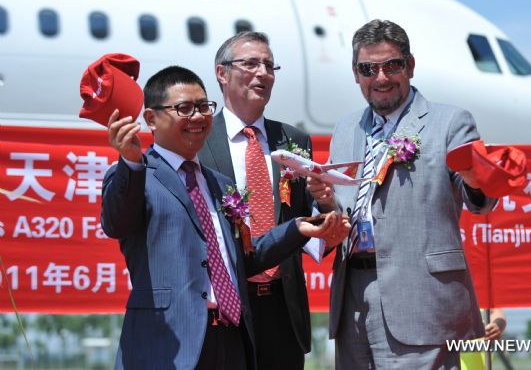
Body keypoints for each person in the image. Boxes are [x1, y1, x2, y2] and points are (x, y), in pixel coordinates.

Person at [101, 65, 344, 369]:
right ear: (151, 118)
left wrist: (297, 229)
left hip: (231, 340)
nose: (199, 117)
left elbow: (244, 258)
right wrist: (130, 162)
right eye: (184, 109)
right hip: (169, 344)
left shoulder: (219, 184)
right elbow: (116, 222)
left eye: (203, 107)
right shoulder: (138, 175)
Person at [307, 19, 498, 368]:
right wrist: (324, 199)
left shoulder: (450, 122)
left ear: (410, 66)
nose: (380, 78)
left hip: (422, 298)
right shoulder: (347, 128)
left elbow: (479, 199)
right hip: (353, 296)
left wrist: (475, 178)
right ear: (356, 73)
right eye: (369, 68)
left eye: (392, 65)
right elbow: (342, 207)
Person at [198, 31, 327, 370]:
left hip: (283, 309)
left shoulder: (294, 140)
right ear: (221, 73)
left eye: (269, 66)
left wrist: (326, 206)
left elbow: (305, 221)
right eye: (251, 64)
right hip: (223, 309)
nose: (263, 73)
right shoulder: (199, 139)